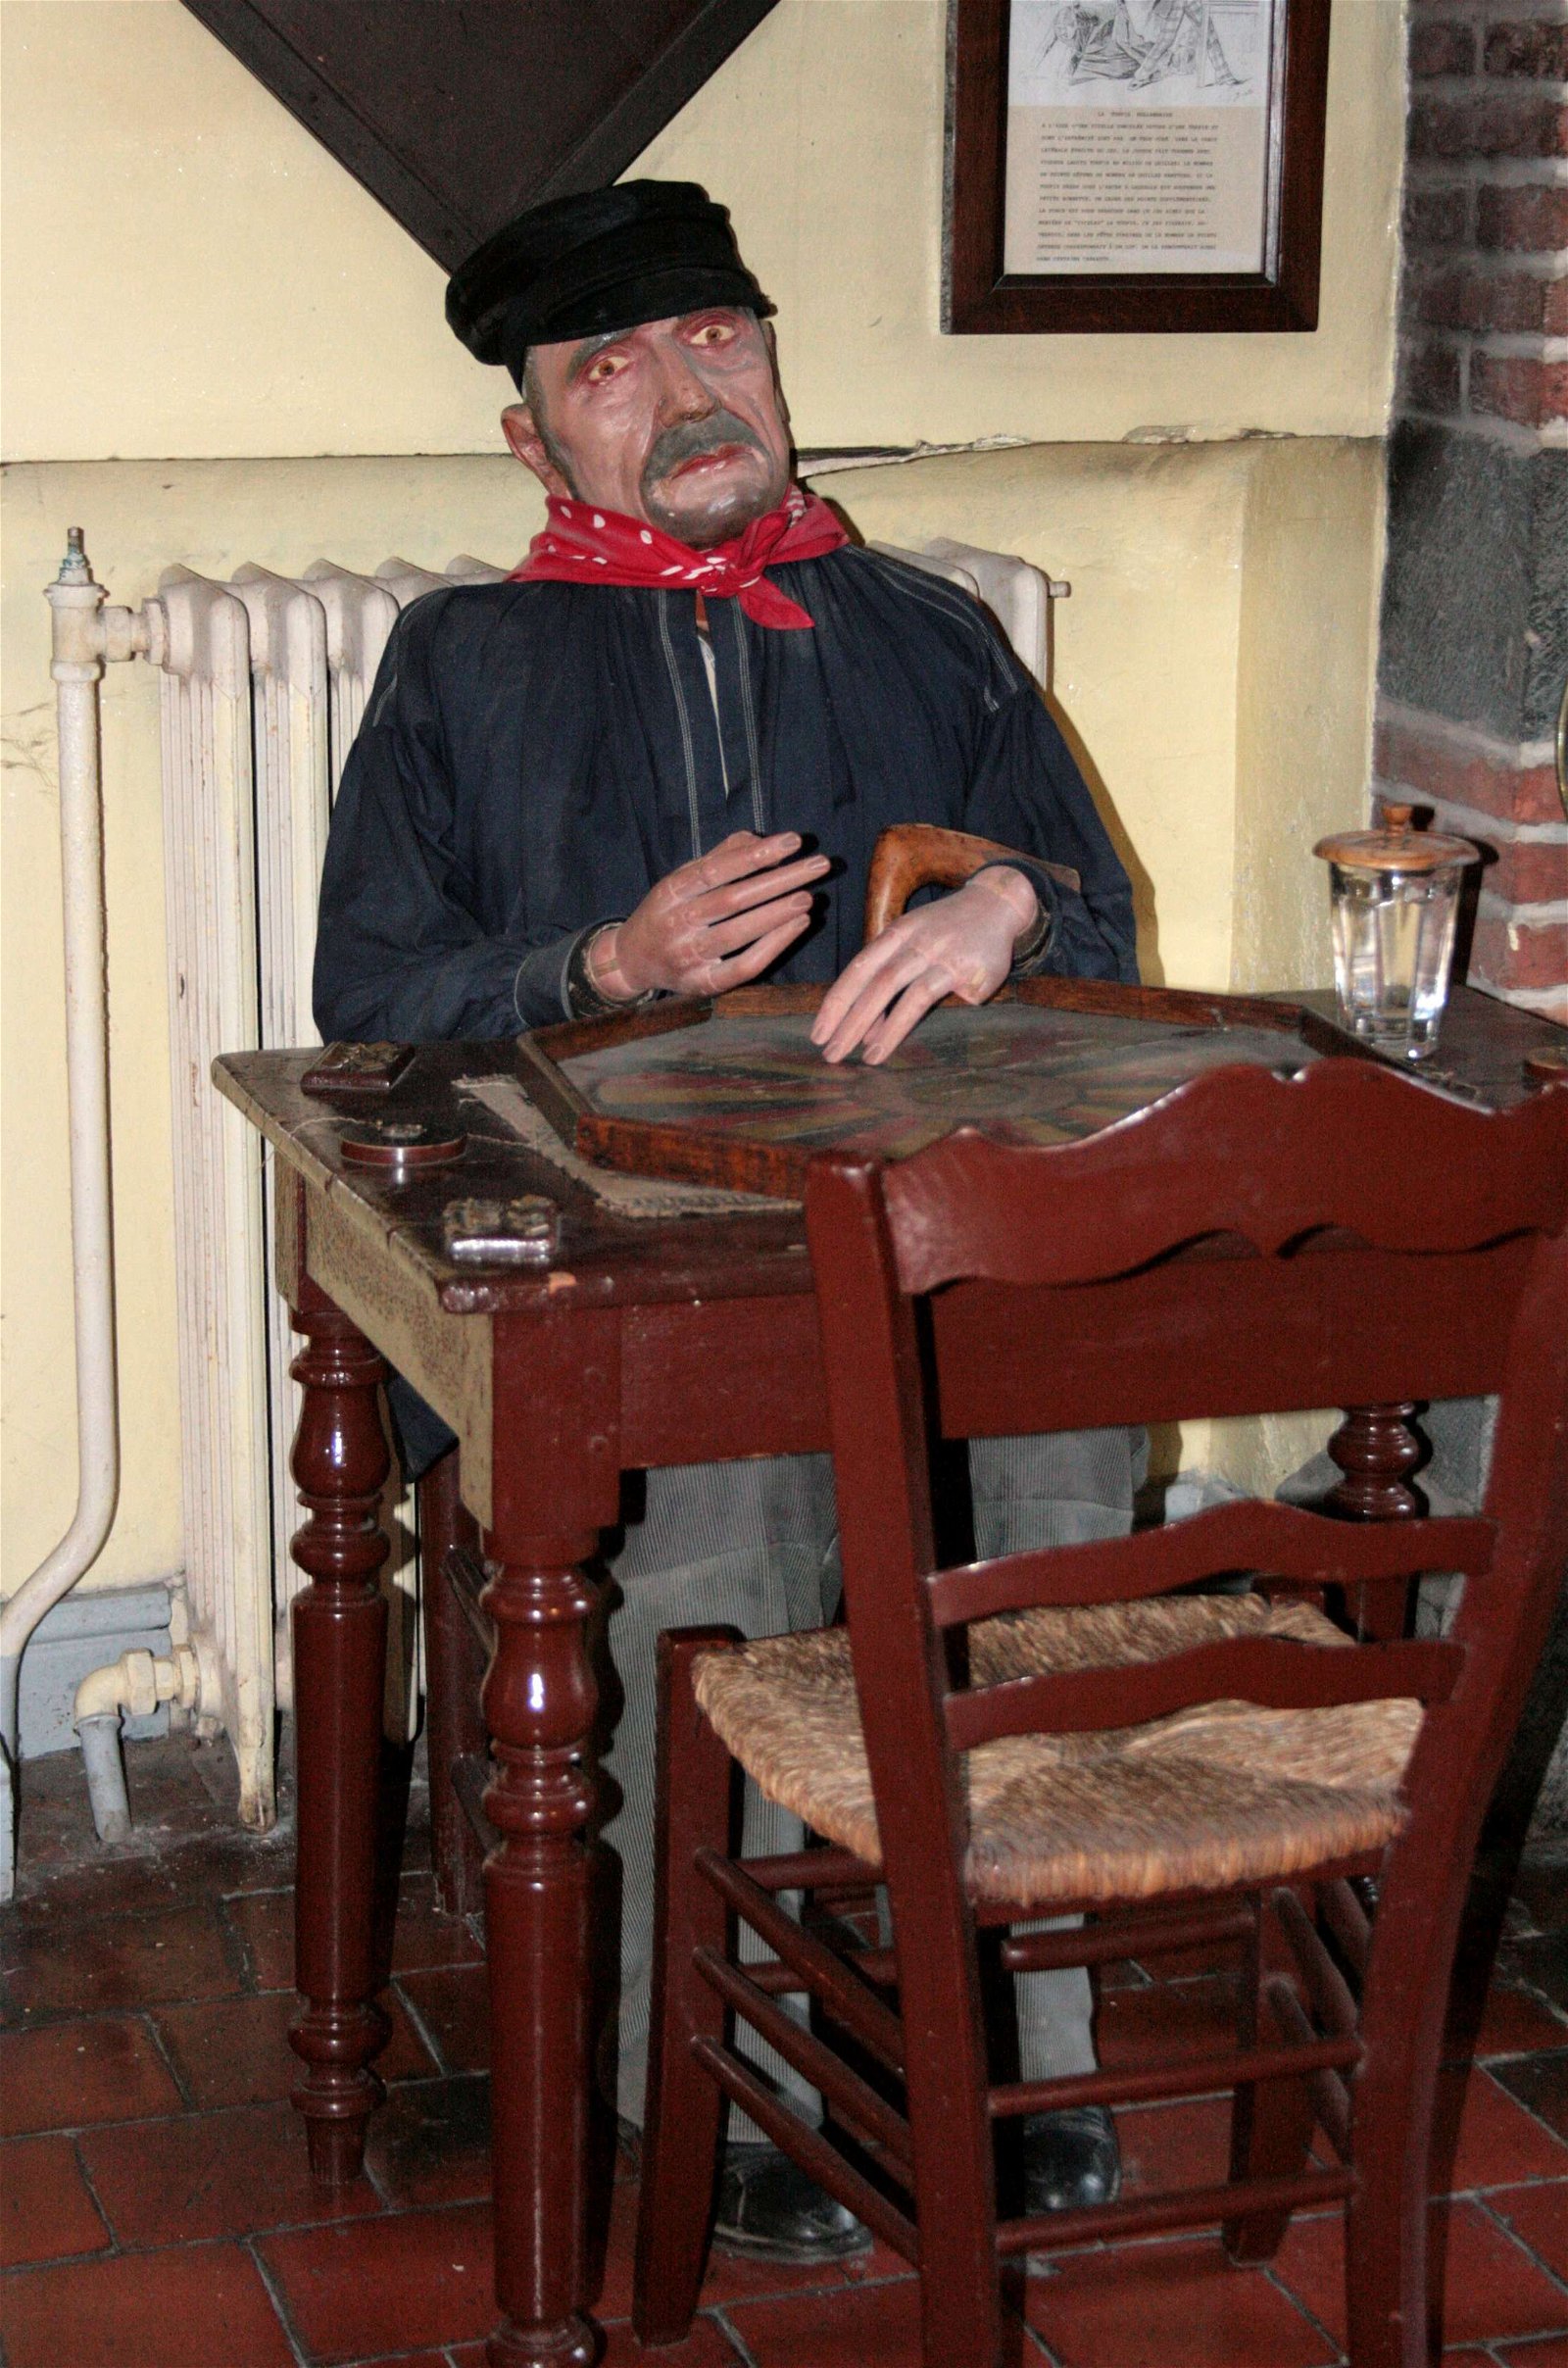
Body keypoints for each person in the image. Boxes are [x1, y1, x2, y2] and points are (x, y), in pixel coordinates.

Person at [314, 178, 1139, 2262]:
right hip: (616, 1251)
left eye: (713, 342)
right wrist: (600, 960)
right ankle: (717, 2075)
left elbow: (1112, 924)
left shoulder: (925, 626)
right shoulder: (465, 661)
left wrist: (1002, 901)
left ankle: (1015, 2033)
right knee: (725, 1539)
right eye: (609, 369)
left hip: (929, 1223)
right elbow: (369, 1002)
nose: (683, 394)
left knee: (1054, 1470)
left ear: (768, 359)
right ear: (534, 437)